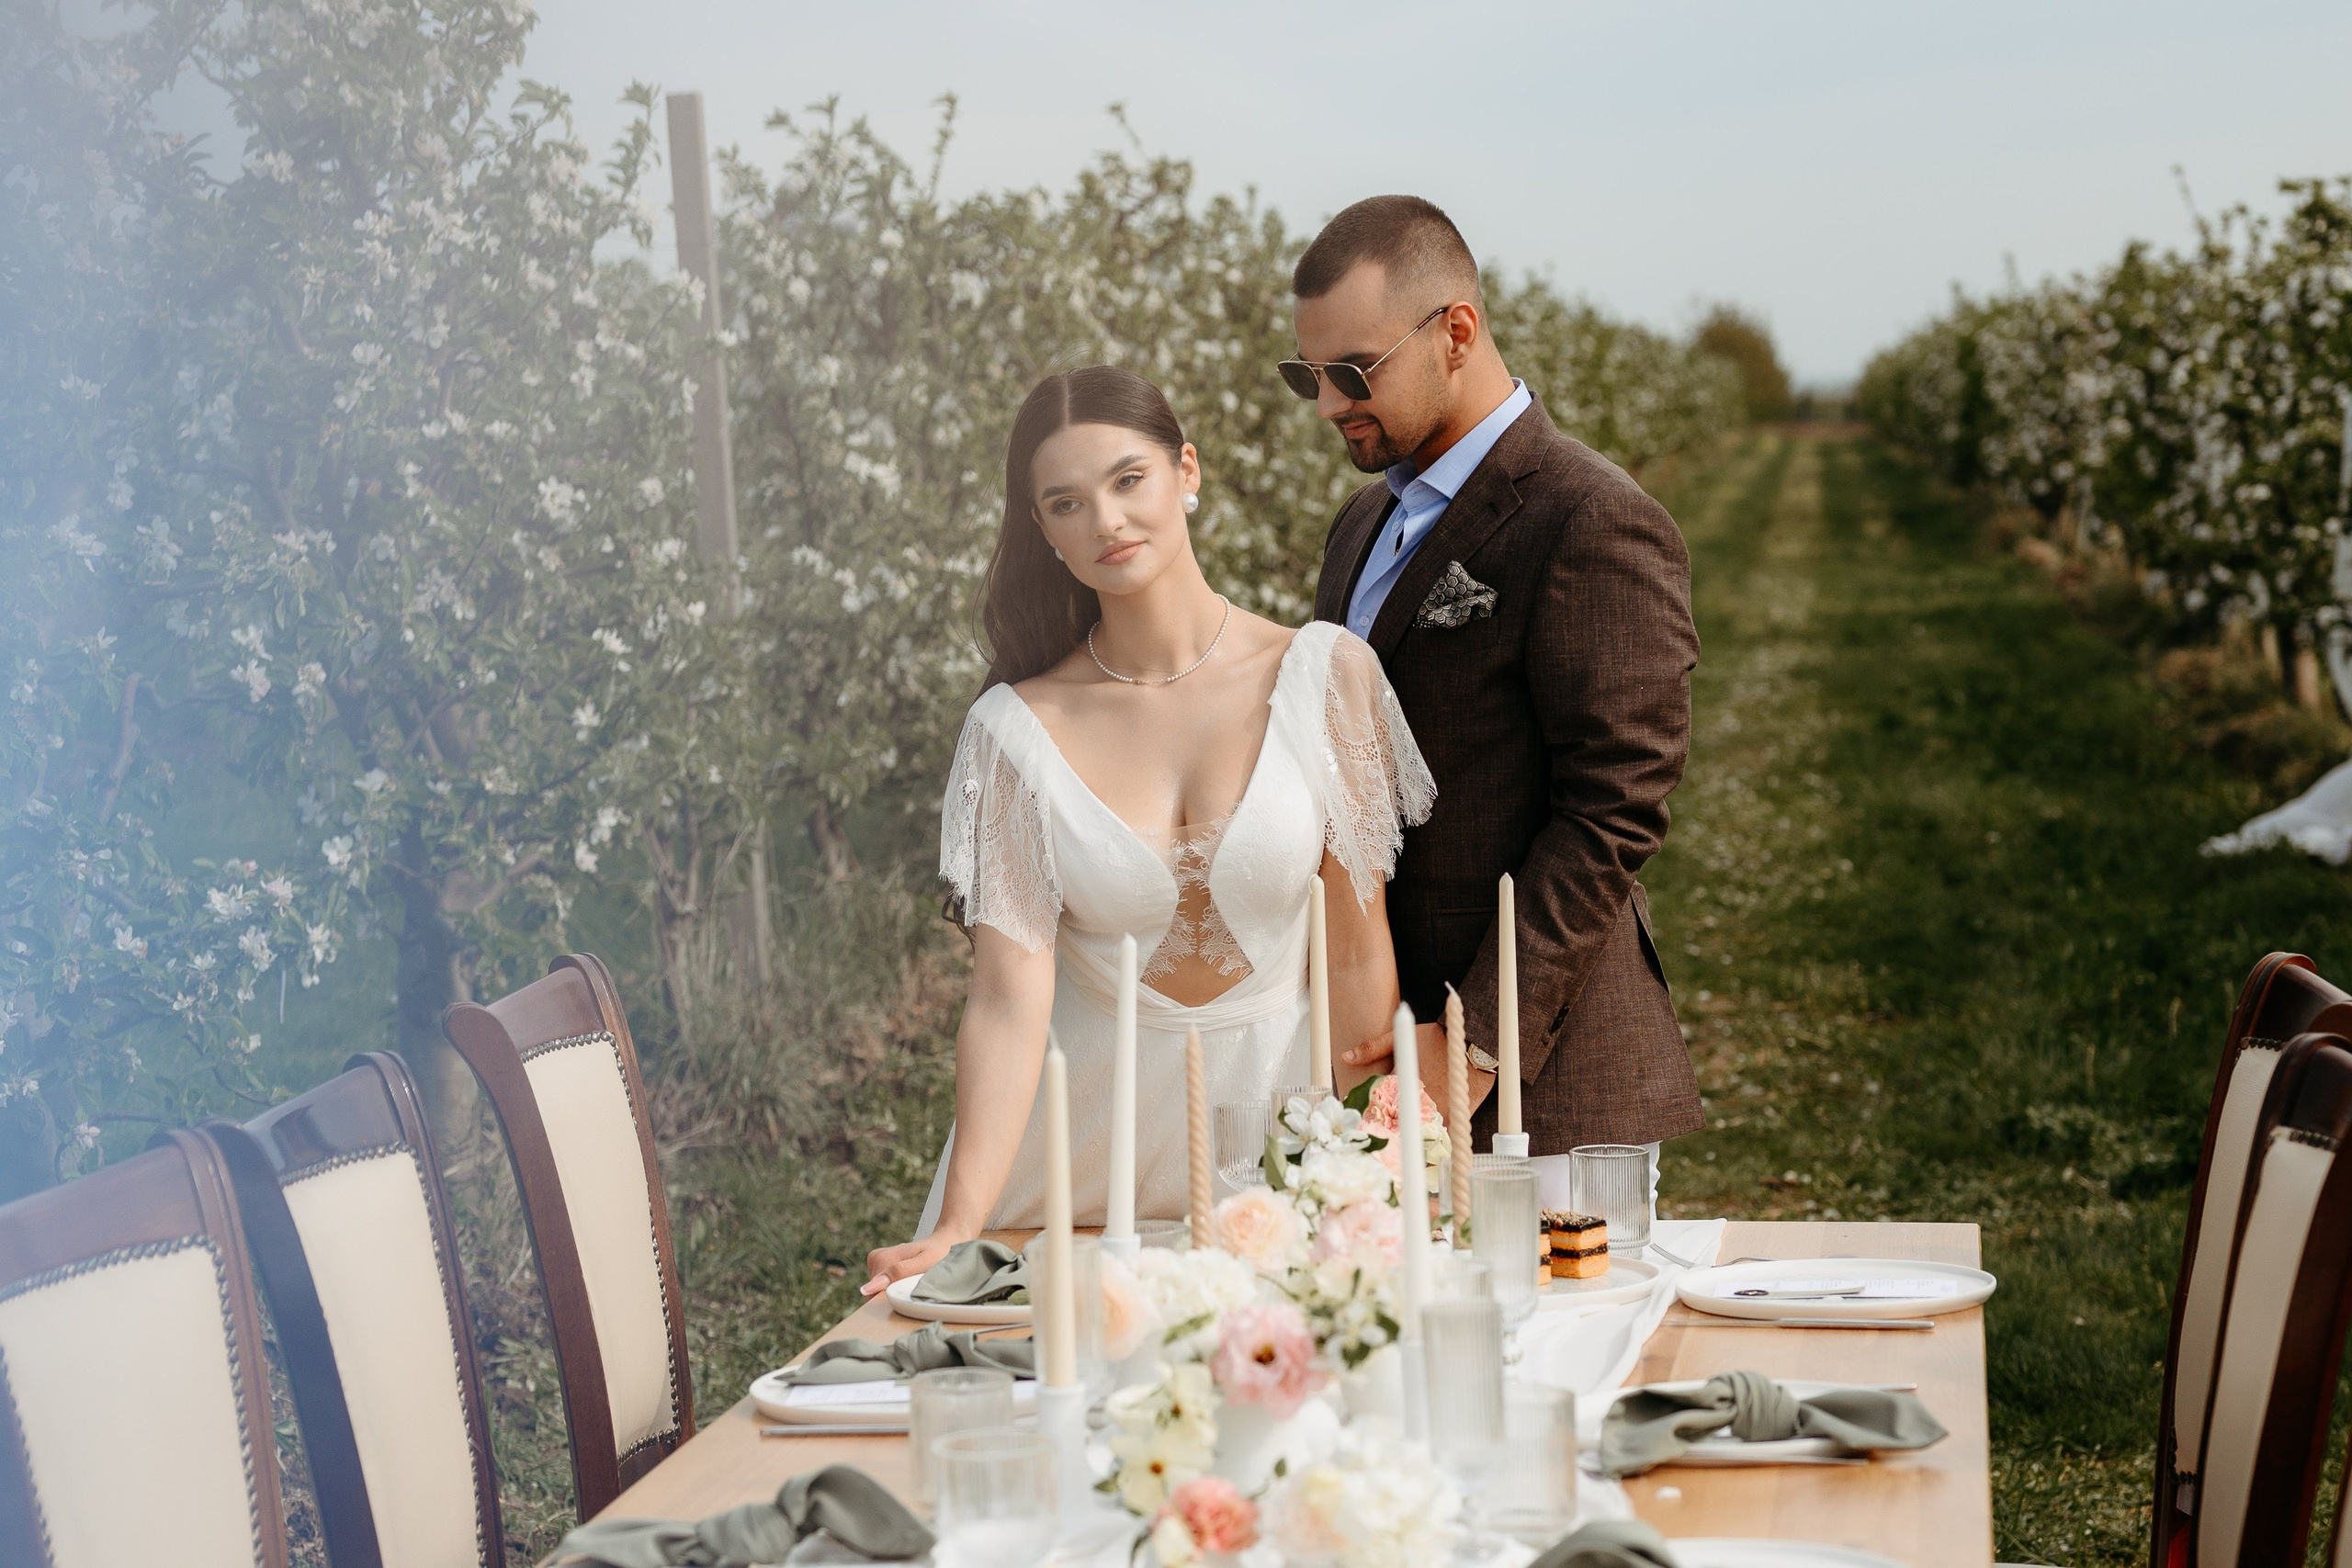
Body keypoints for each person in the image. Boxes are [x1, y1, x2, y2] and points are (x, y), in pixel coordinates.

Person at [862, 367, 1434, 1295]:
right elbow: (1006, 1001)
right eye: (1067, 503)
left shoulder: (1326, 675)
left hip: (1278, 1162)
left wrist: (1380, 1171)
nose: (1106, 520)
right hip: (1077, 1179)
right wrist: (962, 1222)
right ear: (1044, 530)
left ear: (1186, 472)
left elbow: (1359, 956)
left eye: (1129, 479)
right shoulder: (1014, 730)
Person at [1286, 195, 1702, 1214]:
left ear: (1457, 332)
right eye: (1308, 375)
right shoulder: (1357, 526)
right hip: (1366, 1064)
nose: (1328, 403)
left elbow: (1612, 812)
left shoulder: (1590, 517)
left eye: (1353, 372)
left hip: (1545, 1094)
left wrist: (1473, 1045)